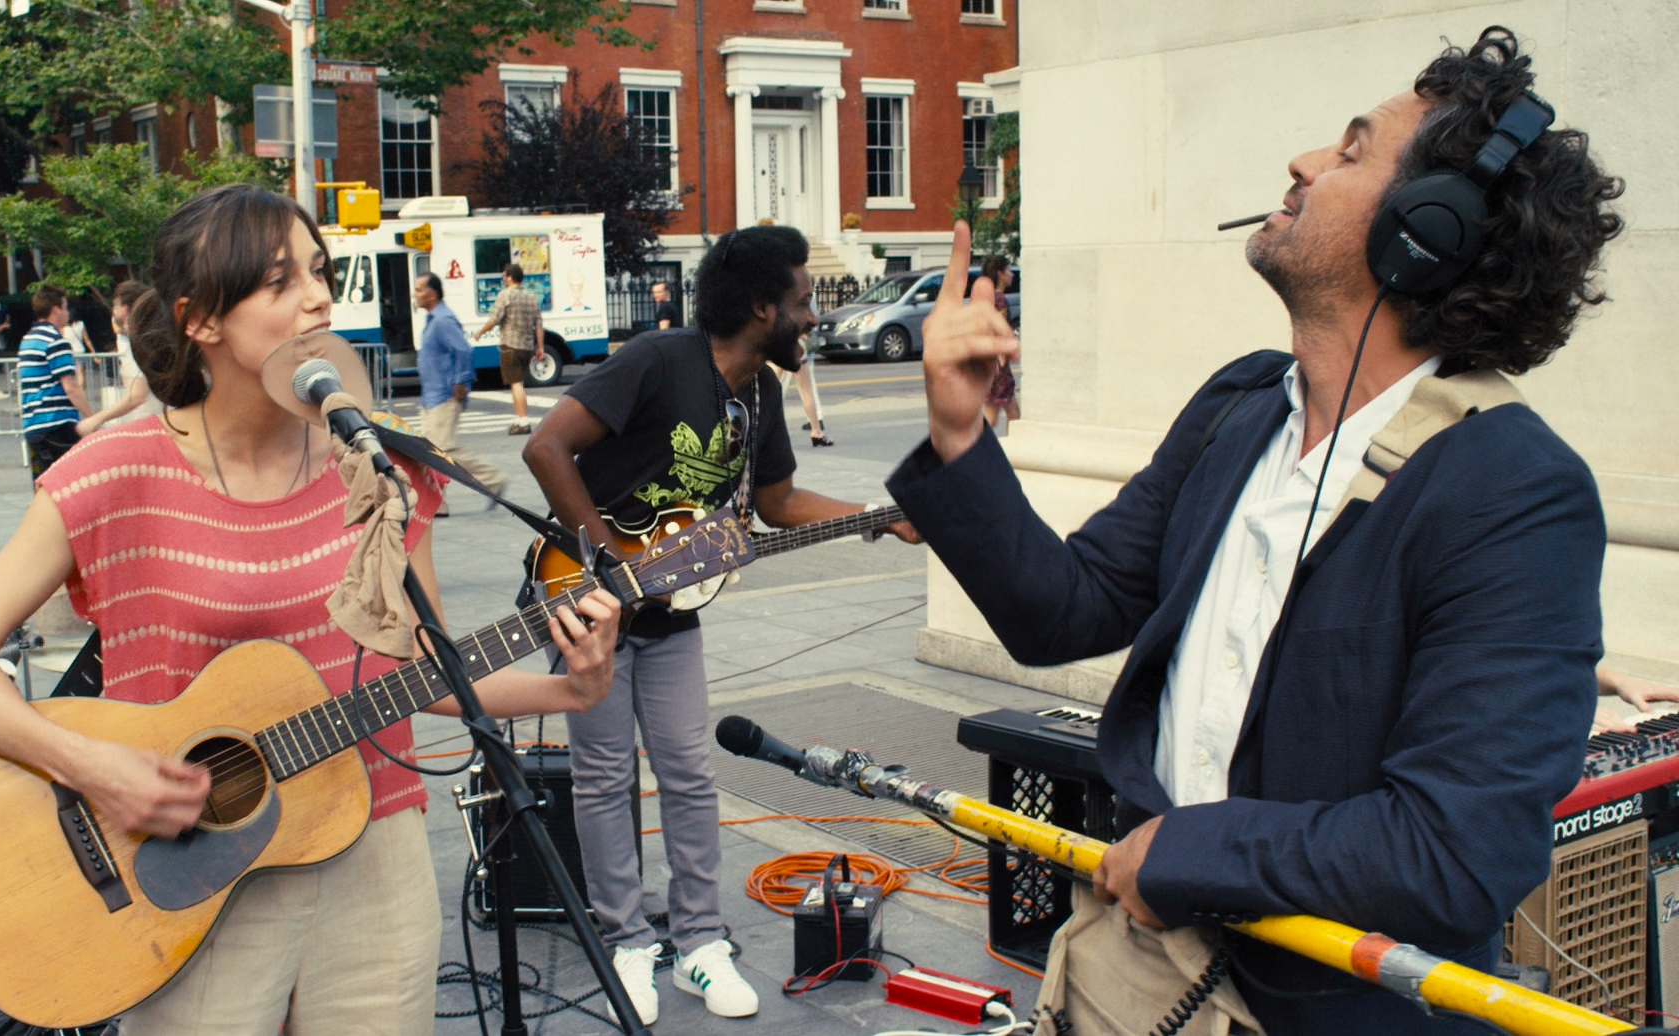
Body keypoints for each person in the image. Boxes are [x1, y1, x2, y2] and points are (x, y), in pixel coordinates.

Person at [887, 28, 1619, 1035]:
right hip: (1138, 974)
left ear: (1428, 229)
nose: (1303, 161)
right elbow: (1063, 611)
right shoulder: (1240, 405)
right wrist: (959, 435)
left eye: (1351, 150)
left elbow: (1457, 853)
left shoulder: (1514, 490)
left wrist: (1189, 852)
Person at [0, 184, 622, 1034]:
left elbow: (422, 674)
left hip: (374, 844)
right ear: (200, 318)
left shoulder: (377, 464)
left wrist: (572, 692)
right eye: (280, 281)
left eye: (319, 272)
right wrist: (91, 767)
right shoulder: (109, 475)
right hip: (180, 868)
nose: (318, 296)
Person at [523, 223, 917, 1024]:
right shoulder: (658, 360)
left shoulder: (758, 396)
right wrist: (608, 564)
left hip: (671, 614)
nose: (813, 319)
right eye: (804, 303)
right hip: (591, 603)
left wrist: (877, 516)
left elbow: (775, 505)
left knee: (690, 772)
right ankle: (627, 942)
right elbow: (546, 448)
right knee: (603, 779)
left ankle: (699, 943)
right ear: (762, 307)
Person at [414, 271, 508, 508]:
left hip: (443, 396)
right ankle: (438, 504)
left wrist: (461, 381)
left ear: (432, 294)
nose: (415, 295)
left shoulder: (443, 321)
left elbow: (464, 350)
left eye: (419, 290)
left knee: (443, 450)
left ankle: (492, 480)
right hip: (432, 397)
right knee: (431, 452)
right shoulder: (434, 320)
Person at [18, 284, 94, 478]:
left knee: (45, 487)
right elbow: (70, 386)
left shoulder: (27, 340)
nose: (68, 312)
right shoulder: (56, 341)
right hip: (57, 424)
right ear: (55, 309)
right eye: (65, 307)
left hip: (33, 424)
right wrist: (93, 418)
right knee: (70, 483)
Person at [80, 281, 165, 432]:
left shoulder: (136, 343)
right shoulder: (154, 337)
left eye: (115, 305)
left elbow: (137, 396)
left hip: (149, 427)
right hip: (161, 424)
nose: (113, 310)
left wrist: (97, 419)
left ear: (125, 308)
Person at [473, 263, 544, 434]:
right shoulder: (531, 297)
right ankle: (521, 417)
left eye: (505, 276)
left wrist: (480, 333)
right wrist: (540, 346)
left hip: (511, 345)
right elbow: (539, 324)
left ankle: (523, 421)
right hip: (527, 346)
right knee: (519, 382)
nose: (504, 279)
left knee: (516, 383)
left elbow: (494, 318)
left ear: (510, 277)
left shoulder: (505, 295)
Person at [979, 255, 1019, 432]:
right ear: (1000, 274)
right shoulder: (1000, 299)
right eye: (1009, 270)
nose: (1012, 274)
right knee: (1014, 415)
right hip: (998, 365)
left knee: (994, 416)